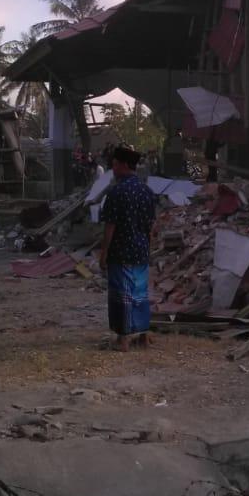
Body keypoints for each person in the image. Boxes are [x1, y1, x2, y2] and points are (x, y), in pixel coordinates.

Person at [98, 145, 156, 351]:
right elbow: (150, 226)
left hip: (120, 251)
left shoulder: (116, 192)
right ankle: (143, 335)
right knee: (139, 292)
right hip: (140, 250)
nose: (112, 169)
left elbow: (110, 226)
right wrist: (149, 247)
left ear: (123, 165)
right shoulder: (147, 192)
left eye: (114, 164)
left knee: (121, 294)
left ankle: (123, 339)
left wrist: (103, 252)